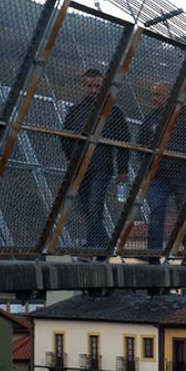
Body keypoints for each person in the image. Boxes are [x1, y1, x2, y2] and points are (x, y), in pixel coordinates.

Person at [61, 68, 129, 249]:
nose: (93, 90)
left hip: (102, 166)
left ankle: (92, 247)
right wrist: (71, 158)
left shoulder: (113, 112)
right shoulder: (75, 111)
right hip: (79, 166)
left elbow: (124, 143)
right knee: (84, 206)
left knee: (95, 206)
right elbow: (66, 136)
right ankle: (103, 246)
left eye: (97, 86)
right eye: (90, 86)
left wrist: (122, 170)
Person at [138, 81, 186, 256]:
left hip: (182, 172)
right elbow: (141, 144)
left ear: (170, 96)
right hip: (157, 174)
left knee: (185, 213)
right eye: (153, 95)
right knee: (156, 211)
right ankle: (153, 253)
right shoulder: (151, 118)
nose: (154, 99)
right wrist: (146, 166)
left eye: (158, 95)